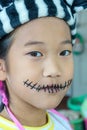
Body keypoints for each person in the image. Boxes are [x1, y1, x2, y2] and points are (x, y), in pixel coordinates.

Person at [0, 0, 87, 130]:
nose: (54, 70)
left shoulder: (63, 124)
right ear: (2, 68)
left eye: (64, 52)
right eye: (35, 54)